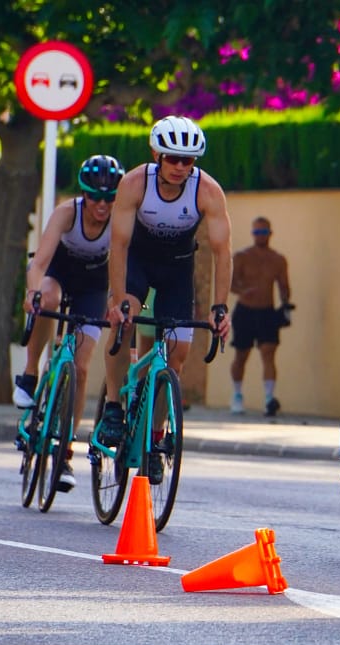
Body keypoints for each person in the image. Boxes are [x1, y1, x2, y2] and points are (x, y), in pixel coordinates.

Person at [101, 116, 232, 453]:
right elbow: (119, 245)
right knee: (124, 321)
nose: (179, 167)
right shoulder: (135, 183)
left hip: (177, 268)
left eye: (187, 160)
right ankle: (113, 406)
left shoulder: (207, 190)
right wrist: (117, 300)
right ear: (156, 155)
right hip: (137, 261)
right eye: (172, 158)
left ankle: (155, 436)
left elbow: (222, 252)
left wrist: (220, 308)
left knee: (177, 355)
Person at [13, 155, 125, 492]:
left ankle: (64, 452)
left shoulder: (120, 219)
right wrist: (32, 292)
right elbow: (39, 263)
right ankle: (31, 374)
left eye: (109, 197)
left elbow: (123, 268)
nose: (102, 205)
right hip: (58, 274)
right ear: (83, 194)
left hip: (93, 286)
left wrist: (116, 302)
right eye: (95, 196)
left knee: (81, 367)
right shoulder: (67, 213)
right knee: (46, 300)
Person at [229, 217, 292, 417]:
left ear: (270, 234)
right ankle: (237, 395)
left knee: (268, 353)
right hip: (245, 311)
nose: (260, 236)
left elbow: (284, 286)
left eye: (263, 232)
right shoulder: (242, 257)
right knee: (241, 355)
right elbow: (230, 283)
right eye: (257, 232)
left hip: (267, 312)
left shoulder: (278, 260)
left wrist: (285, 305)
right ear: (252, 234)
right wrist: (243, 291)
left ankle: (269, 399)